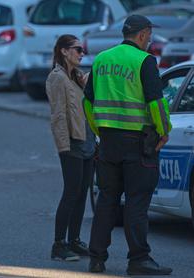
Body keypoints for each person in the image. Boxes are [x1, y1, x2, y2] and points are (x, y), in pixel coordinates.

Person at [83, 15, 172, 275]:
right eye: (149, 36)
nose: (150, 40)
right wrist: (164, 131)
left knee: (107, 201)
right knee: (136, 203)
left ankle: (96, 259)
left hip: (109, 143)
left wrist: (99, 130)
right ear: (143, 34)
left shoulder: (101, 60)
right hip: (138, 144)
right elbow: (156, 103)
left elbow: (87, 102)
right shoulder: (144, 61)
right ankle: (139, 260)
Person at [46, 34, 96, 261]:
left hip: (87, 141)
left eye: (82, 50)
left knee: (82, 193)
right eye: (77, 49)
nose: (81, 53)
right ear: (64, 51)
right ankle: (59, 244)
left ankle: (74, 241)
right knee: (71, 193)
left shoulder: (76, 77)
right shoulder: (57, 78)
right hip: (72, 143)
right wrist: (63, 146)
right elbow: (58, 116)